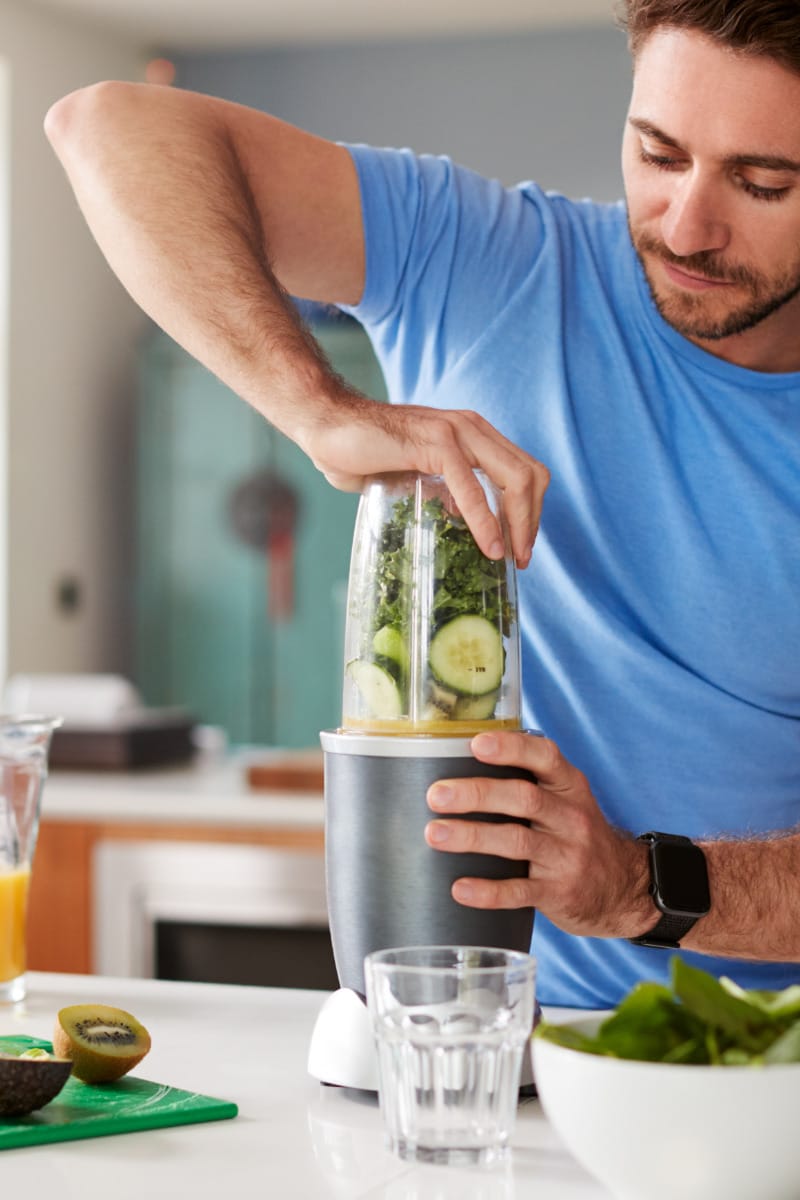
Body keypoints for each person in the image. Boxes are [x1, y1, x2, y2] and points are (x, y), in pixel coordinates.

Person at [45, 0, 800, 1008]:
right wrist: (315, 407)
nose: (685, 224)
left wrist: (637, 886)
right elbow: (106, 127)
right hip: (477, 1065)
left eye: (761, 183)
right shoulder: (488, 262)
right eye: (656, 154)